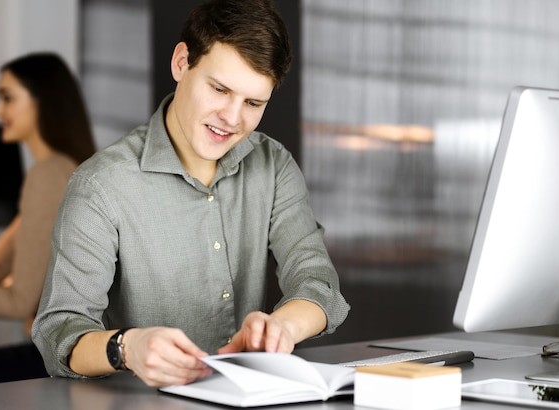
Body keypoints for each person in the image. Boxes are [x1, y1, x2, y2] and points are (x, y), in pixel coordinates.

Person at [32, 0, 350, 388]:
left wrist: (279, 328)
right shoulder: (100, 186)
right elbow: (59, 331)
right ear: (182, 63)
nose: (232, 119)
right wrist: (128, 347)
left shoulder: (273, 165)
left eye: (253, 103)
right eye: (219, 89)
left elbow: (316, 281)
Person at [0, 52, 96, 384]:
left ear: (42, 101)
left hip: (58, 358)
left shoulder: (48, 175)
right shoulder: (66, 168)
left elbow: (20, 301)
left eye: (7, 98)